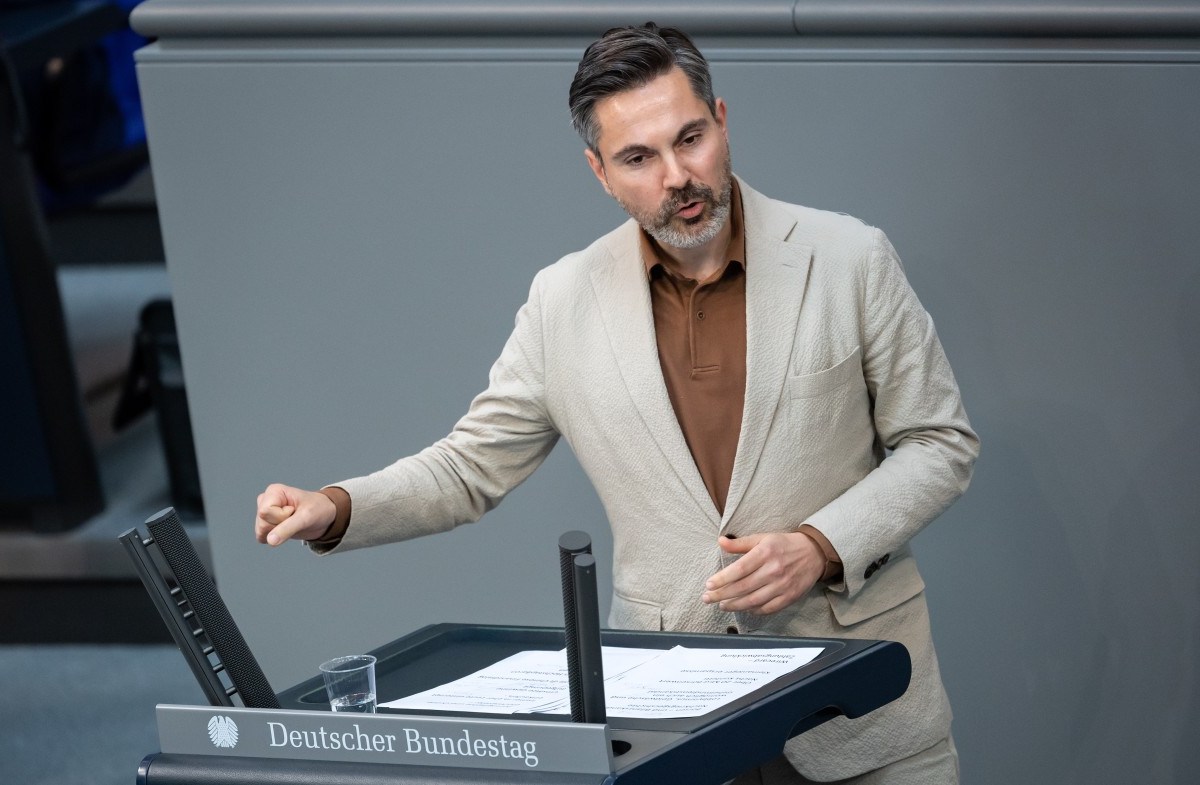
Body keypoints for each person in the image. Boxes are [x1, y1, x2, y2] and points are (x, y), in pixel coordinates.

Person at [254, 22, 978, 785]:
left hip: (862, 714)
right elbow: (469, 466)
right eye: (639, 157)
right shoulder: (562, 298)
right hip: (679, 726)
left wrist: (819, 544)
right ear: (600, 172)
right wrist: (336, 506)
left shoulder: (850, 258)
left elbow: (940, 442)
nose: (677, 176)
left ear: (722, 121)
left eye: (690, 138)